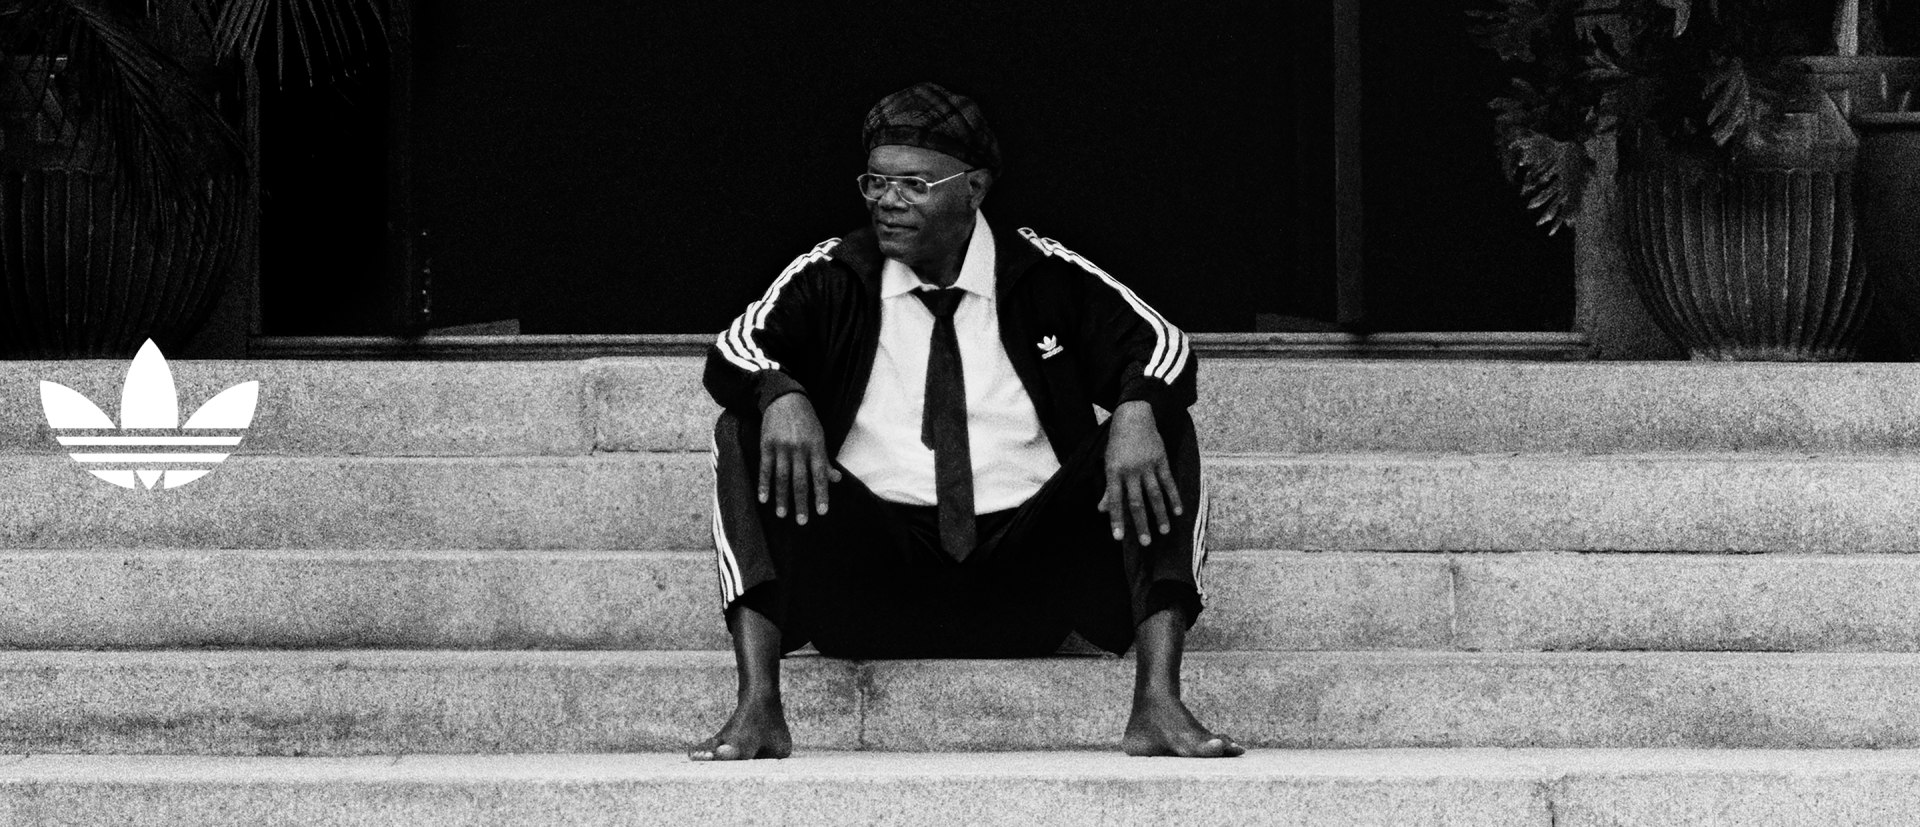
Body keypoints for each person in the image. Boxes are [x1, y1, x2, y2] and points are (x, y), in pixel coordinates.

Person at [694, 81, 1242, 760]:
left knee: (1164, 423)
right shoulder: (836, 273)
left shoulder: (1041, 272)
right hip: (874, 579)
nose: (887, 200)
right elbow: (736, 349)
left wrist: (1135, 407)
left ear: (974, 188)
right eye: (875, 182)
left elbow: (1162, 344)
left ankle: (1158, 701)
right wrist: (780, 392)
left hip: (1028, 575)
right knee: (742, 428)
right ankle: (758, 705)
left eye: (914, 185)